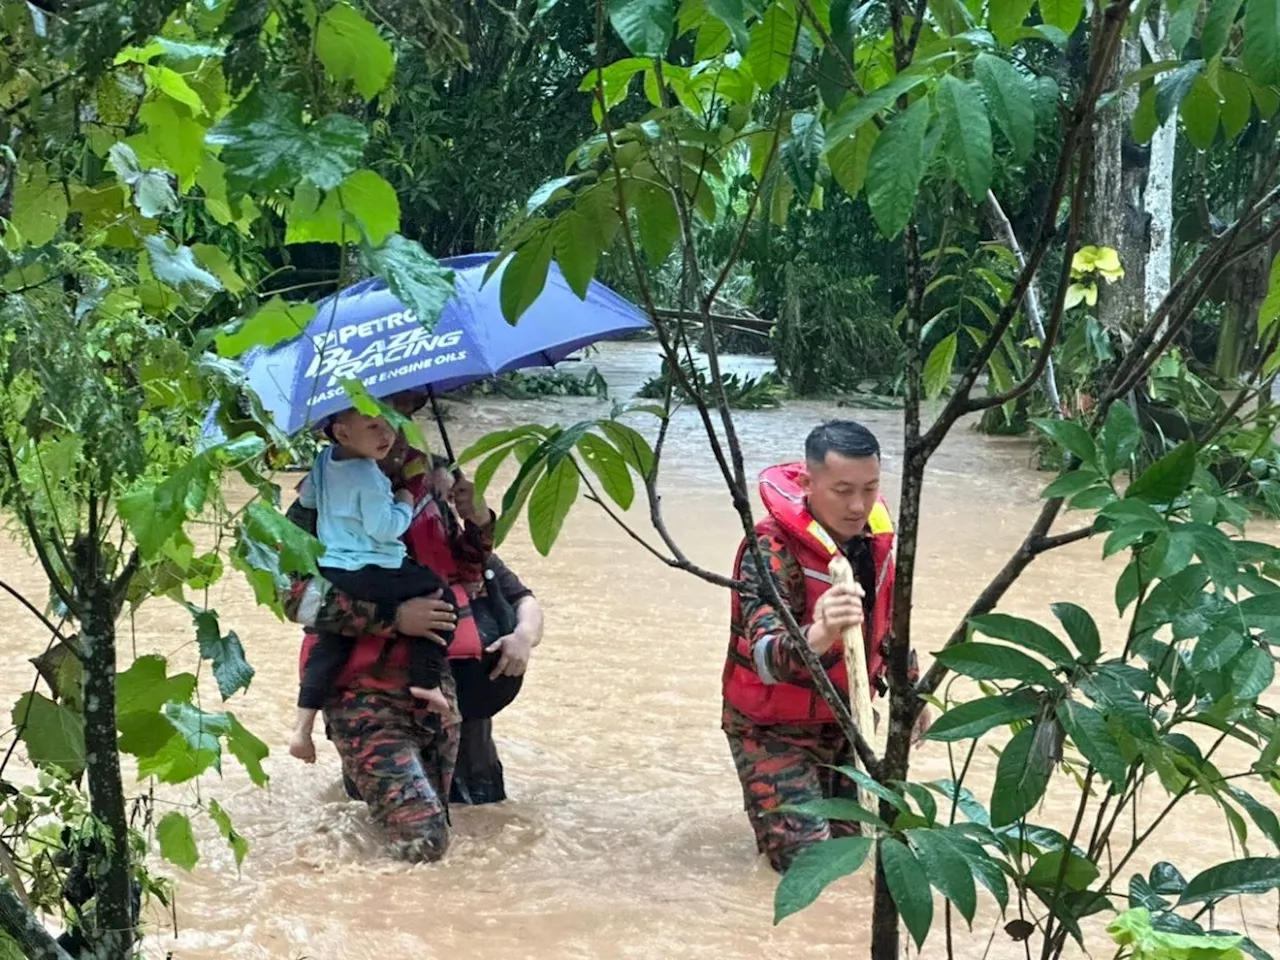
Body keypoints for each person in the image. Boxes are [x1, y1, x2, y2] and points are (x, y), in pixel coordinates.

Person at [721, 420, 929, 873]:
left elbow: (889, 628)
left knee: (863, 856)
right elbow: (764, 656)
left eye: (870, 488)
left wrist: (912, 694)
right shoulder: (768, 548)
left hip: (849, 720)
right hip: (772, 729)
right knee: (810, 869)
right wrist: (820, 632)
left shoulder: (874, 541)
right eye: (842, 491)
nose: (858, 506)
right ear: (809, 483)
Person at [290, 410, 456, 764]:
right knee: (414, 817)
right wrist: (391, 618)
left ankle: (301, 729)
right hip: (364, 702)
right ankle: (424, 683)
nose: (390, 438)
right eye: (374, 428)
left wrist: (479, 520)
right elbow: (297, 600)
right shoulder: (363, 480)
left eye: (395, 425)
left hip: (431, 705)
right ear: (342, 434)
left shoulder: (430, 492)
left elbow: (479, 572)